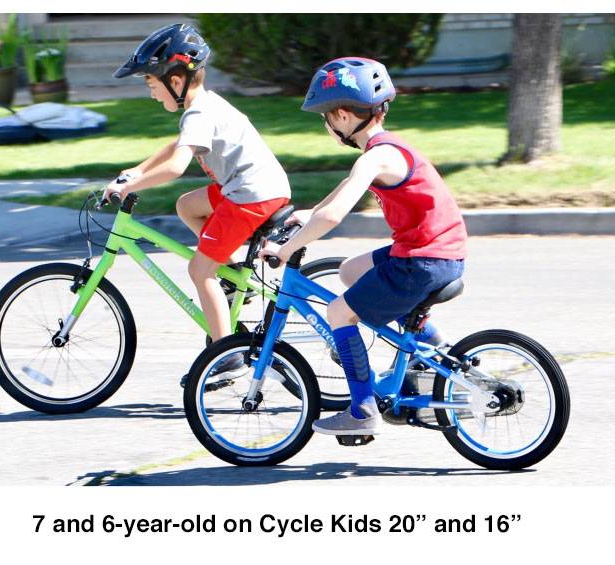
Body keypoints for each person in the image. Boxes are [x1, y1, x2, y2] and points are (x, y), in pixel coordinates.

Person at [262, 57, 467, 435]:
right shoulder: (385, 149)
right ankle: (435, 354)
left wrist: (286, 249)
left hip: (422, 262)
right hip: (435, 253)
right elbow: (341, 195)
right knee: (349, 270)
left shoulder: (375, 156)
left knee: (340, 313)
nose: (326, 125)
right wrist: (309, 213)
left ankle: (362, 411)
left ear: (341, 115)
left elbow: (334, 216)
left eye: (325, 117)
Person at [105, 24, 291, 380]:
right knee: (187, 206)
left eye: (150, 83)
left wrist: (130, 188)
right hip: (249, 187)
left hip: (251, 195)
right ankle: (234, 274)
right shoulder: (202, 106)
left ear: (176, 81)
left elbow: (176, 166)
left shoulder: (199, 112)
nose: (150, 93)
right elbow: (177, 147)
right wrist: (137, 169)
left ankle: (227, 356)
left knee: (199, 270)